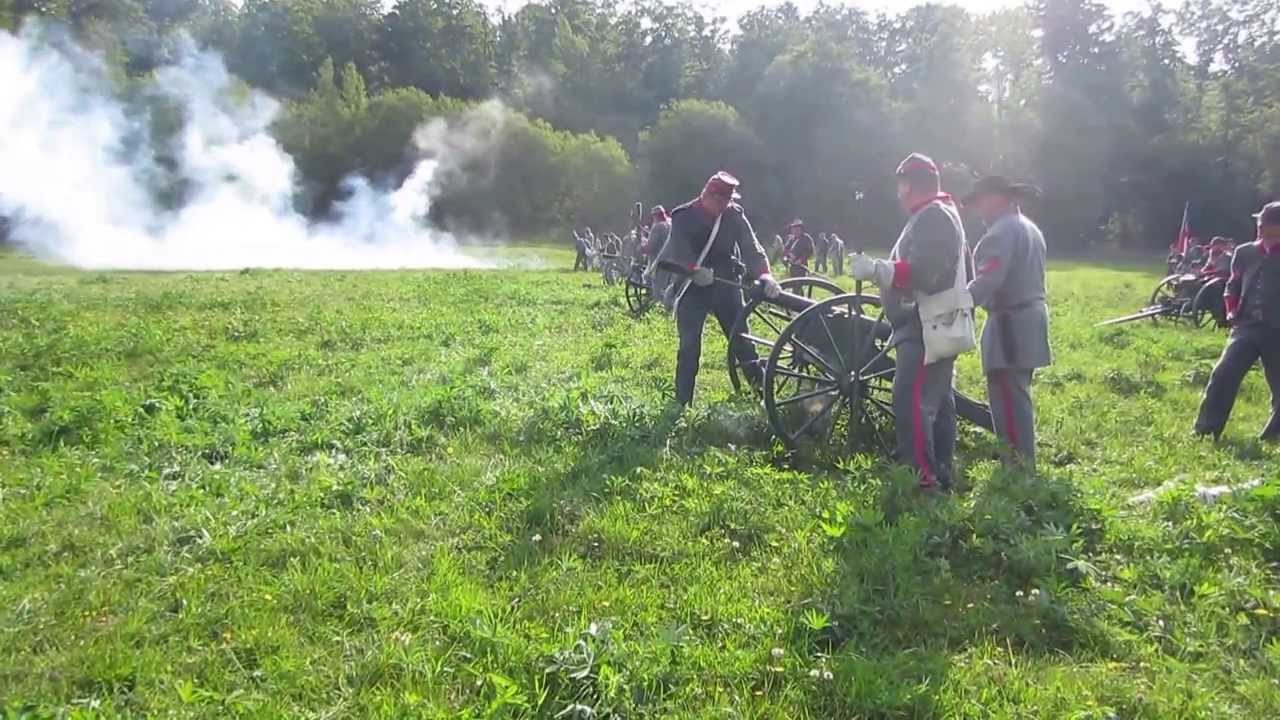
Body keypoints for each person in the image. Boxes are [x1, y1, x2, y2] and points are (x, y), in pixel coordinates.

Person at [851, 153, 969, 491]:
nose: (898, 193)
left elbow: (928, 273)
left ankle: (922, 482)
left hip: (924, 325)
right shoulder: (938, 213)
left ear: (908, 185)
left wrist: (878, 270)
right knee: (939, 401)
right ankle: (942, 470)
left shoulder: (933, 216)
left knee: (910, 400)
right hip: (935, 322)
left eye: (900, 185)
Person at [665, 171, 782, 406]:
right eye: (720, 201)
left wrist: (765, 275)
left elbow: (751, 248)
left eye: (728, 201)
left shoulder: (733, 215)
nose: (724, 206)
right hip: (692, 287)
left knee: (743, 343)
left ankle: (763, 397)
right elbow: (679, 251)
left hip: (726, 284)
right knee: (689, 347)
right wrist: (694, 270)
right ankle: (682, 403)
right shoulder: (683, 216)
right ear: (707, 195)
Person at [960, 175, 1052, 471]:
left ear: (998, 198)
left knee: (1009, 401)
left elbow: (987, 281)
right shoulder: (1029, 228)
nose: (979, 210)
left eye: (981, 202)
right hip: (1028, 319)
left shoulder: (1001, 233)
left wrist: (952, 303)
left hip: (1009, 325)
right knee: (1016, 394)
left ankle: (1018, 469)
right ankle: (1020, 463)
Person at [1193, 202, 1280, 442]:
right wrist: (1231, 310)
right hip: (1247, 326)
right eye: (1260, 223)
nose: (1260, 228)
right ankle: (1206, 430)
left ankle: (1274, 433)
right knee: (1224, 374)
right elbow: (1233, 284)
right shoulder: (1244, 252)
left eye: (1267, 224)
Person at [644, 205, 674, 299]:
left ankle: (658, 304)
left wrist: (642, 248)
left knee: (657, 288)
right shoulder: (671, 223)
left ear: (655, 216)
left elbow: (651, 246)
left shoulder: (657, 227)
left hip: (659, 262)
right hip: (674, 261)